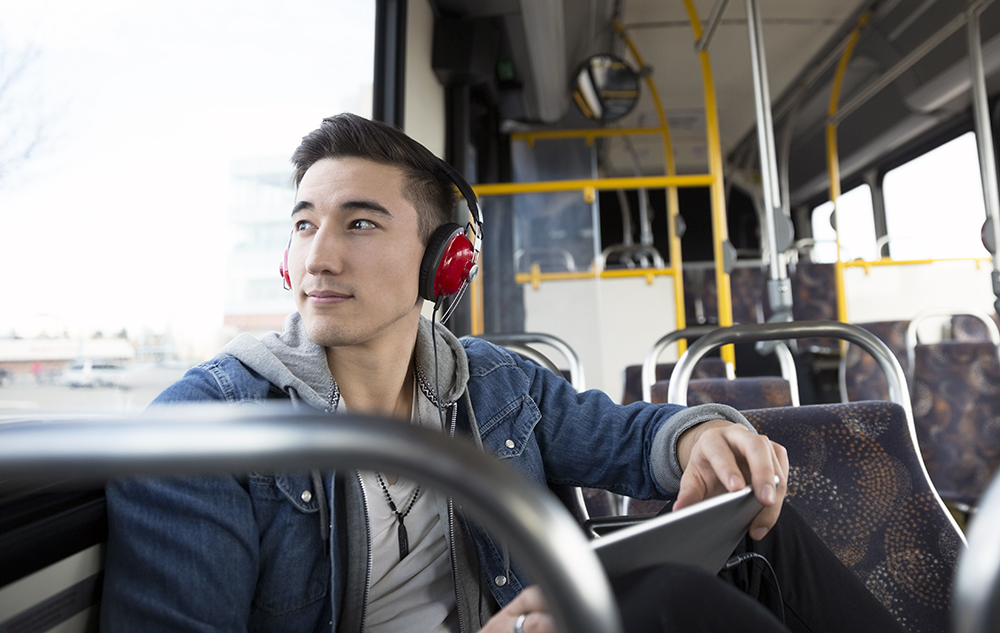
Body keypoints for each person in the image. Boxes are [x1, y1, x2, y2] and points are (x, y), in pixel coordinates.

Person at [101, 113, 901, 633]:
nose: (319, 255)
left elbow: (628, 435)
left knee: (761, 527)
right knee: (670, 605)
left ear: (445, 263)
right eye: (305, 224)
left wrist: (703, 436)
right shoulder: (206, 427)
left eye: (361, 223)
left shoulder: (493, 384)